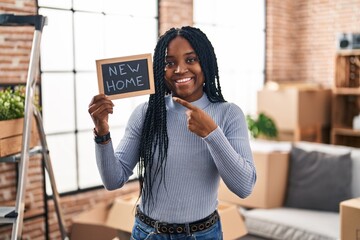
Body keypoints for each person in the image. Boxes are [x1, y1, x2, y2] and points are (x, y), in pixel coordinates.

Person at [88, 26, 256, 240]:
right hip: (148, 233)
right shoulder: (147, 112)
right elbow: (113, 180)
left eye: (191, 59)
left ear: (206, 62)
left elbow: (244, 187)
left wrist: (211, 134)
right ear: (160, 69)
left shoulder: (229, 114)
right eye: (169, 63)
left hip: (202, 235)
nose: (179, 70)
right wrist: (102, 131)